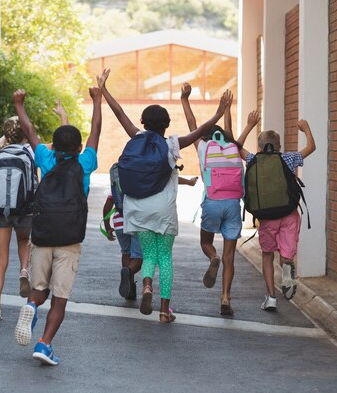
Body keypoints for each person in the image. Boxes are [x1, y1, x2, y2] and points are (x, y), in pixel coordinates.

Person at [100, 69, 229, 323]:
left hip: (137, 208)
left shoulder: (136, 137)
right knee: (165, 258)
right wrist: (219, 112)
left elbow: (120, 114)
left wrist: (104, 89)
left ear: (144, 123)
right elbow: (201, 129)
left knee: (148, 256)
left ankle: (146, 286)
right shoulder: (171, 144)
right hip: (164, 210)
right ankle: (164, 310)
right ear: (166, 125)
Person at [13, 85, 102, 366]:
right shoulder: (85, 163)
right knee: (60, 299)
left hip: (42, 236)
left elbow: (29, 130)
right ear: (78, 148)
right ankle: (44, 344)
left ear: (53, 145)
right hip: (70, 240)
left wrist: (19, 104)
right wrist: (97, 100)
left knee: (39, 290)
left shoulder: (45, 159)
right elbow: (95, 131)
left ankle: (30, 305)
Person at [237, 113, 316, 311]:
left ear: (259, 147)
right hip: (289, 214)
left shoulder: (253, 159)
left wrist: (249, 125)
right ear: (279, 146)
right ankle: (287, 268)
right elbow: (311, 148)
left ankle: (271, 297)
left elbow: (236, 146)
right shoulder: (289, 158)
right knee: (286, 255)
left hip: (267, 217)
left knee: (267, 255)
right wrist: (305, 129)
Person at [181, 84, 243, 316]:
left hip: (212, 202)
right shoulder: (233, 148)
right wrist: (227, 109)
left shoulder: (203, 147)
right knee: (231, 257)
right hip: (233, 205)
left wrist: (185, 99)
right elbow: (228, 129)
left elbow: (192, 125)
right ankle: (226, 296)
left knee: (206, 242)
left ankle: (212, 257)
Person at [0, 116, 35, 321]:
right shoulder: (30, 152)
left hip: (0, 211)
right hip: (25, 209)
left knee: (0, 261)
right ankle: (24, 270)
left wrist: (7, 134)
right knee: (24, 241)